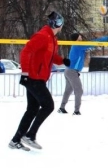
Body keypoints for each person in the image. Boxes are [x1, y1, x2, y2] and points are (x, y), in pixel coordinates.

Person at [9, 11, 70, 151]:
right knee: (48, 105)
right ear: (58, 24)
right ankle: (30, 135)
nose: (62, 26)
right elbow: (25, 52)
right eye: (61, 23)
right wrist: (25, 73)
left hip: (39, 78)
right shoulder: (42, 36)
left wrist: (62, 60)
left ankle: (15, 140)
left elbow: (50, 56)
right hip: (32, 78)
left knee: (32, 109)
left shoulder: (52, 39)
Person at [57, 33, 108, 115]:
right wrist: (103, 39)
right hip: (72, 71)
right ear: (76, 38)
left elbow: (89, 46)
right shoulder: (77, 45)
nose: (81, 36)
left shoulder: (77, 45)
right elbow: (91, 43)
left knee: (68, 90)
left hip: (70, 70)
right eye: (80, 36)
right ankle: (76, 111)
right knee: (79, 90)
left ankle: (61, 108)